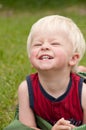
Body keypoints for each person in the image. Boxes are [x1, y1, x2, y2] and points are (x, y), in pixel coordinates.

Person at [18, 15, 86, 130]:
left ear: (73, 58)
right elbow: (26, 127)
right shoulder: (26, 89)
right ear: (31, 59)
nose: (44, 47)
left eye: (54, 43)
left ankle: (80, 71)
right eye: (37, 44)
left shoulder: (83, 92)